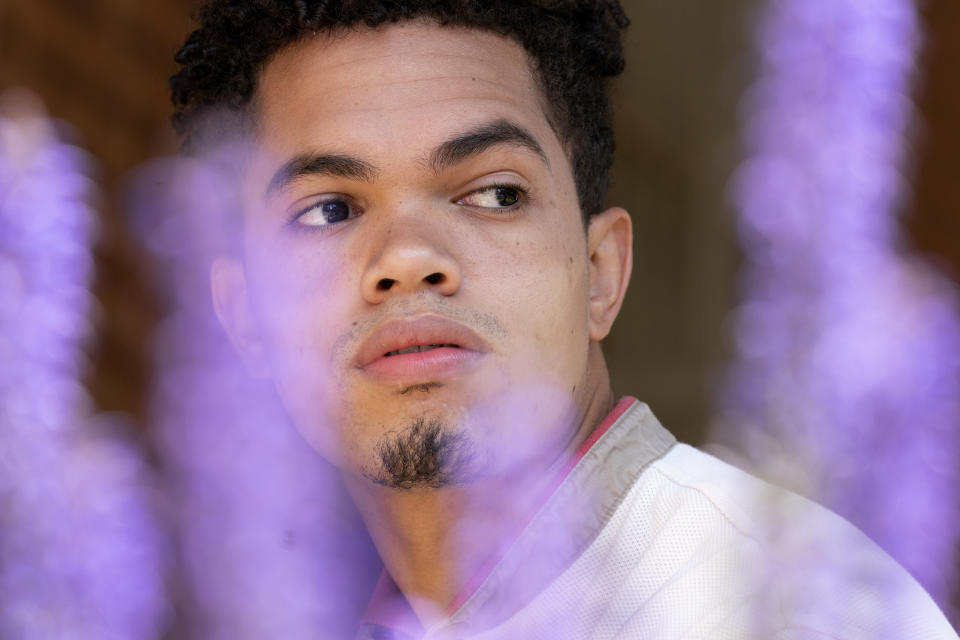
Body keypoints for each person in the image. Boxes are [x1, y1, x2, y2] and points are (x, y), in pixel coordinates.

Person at [169, 1, 957, 638]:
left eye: (494, 194)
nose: (408, 258)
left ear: (603, 276)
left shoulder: (776, 609)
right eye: (329, 209)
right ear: (241, 323)